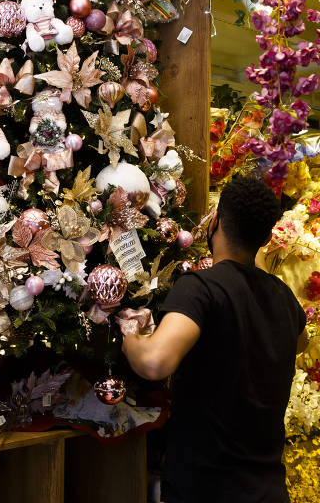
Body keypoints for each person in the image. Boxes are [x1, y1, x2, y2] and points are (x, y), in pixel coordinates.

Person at [121, 176, 307, 503]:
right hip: (269, 492)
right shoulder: (285, 300)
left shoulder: (201, 288)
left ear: (215, 221)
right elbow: (300, 342)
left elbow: (154, 363)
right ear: (266, 238)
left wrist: (132, 339)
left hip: (206, 489)